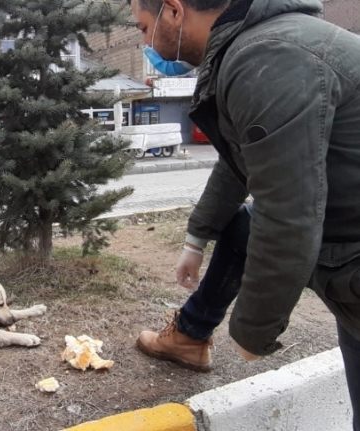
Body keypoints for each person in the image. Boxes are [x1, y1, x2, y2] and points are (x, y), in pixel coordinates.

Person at [127, 0, 360, 428]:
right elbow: (243, 160)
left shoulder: (267, 58)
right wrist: (196, 238)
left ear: (174, 12)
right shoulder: (257, 47)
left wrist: (253, 330)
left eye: (143, 27)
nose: (144, 42)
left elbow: (288, 213)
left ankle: (191, 336)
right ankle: (190, 336)